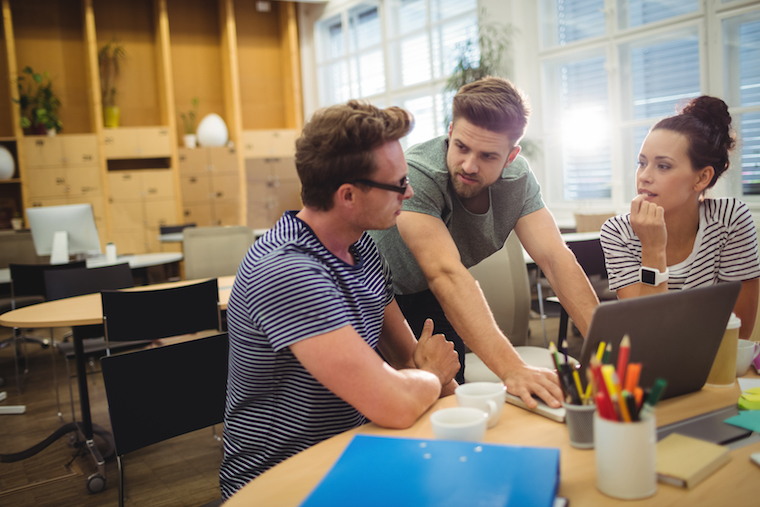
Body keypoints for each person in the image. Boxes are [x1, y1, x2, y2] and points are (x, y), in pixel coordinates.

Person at [219, 101, 460, 499]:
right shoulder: (287, 271)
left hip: (352, 452)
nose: (411, 191)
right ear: (348, 195)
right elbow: (397, 400)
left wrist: (442, 385)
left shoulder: (361, 247)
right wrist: (433, 375)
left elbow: (406, 358)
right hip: (281, 481)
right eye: (399, 184)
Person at [370, 77, 599, 408]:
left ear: (510, 156)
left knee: (454, 397)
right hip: (374, 294)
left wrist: (605, 347)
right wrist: (513, 368)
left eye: (488, 156)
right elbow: (446, 273)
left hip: (429, 294)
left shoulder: (518, 180)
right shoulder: (420, 173)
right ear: (450, 132)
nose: (469, 165)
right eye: (461, 146)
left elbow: (555, 258)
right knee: (397, 403)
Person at [601, 95, 760, 339]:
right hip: (653, 370)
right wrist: (653, 249)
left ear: (701, 178)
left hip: (717, 367)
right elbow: (647, 334)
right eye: (642, 163)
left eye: (663, 166)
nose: (644, 176)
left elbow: (738, 336)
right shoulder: (618, 232)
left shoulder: (731, 220)